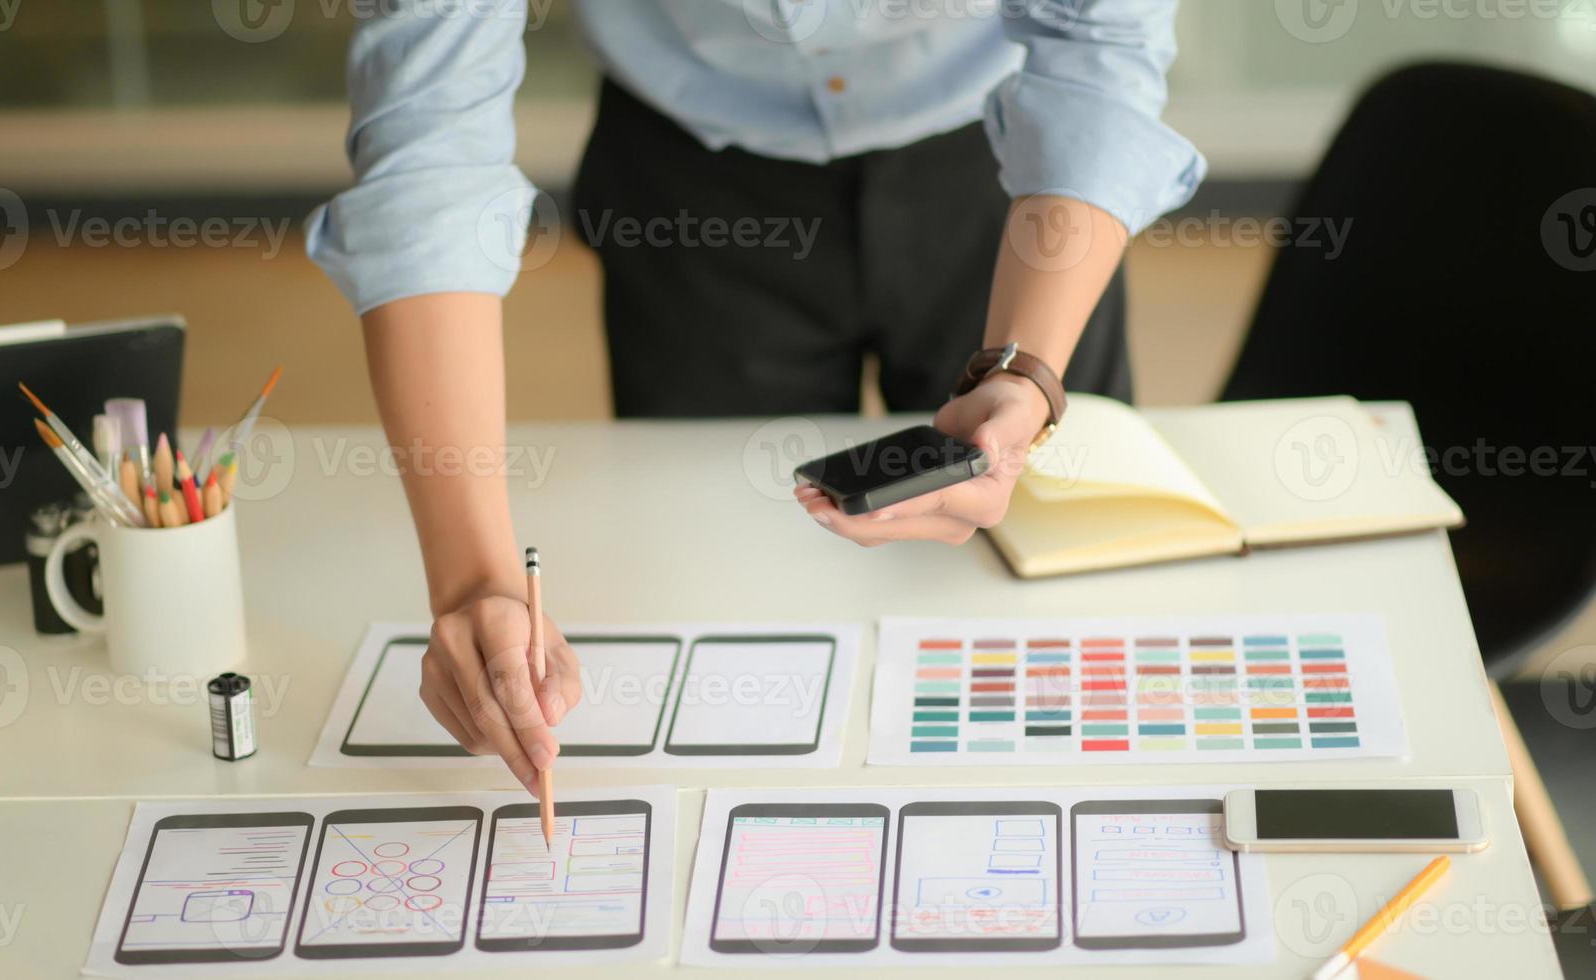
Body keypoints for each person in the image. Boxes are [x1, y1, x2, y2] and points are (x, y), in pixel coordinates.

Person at [306, 0, 1205, 793]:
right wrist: (474, 583)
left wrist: (1027, 370)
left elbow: (1100, 35)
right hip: (692, 182)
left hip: (1012, 171)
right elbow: (429, 156)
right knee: (720, 616)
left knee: (1061, 604)